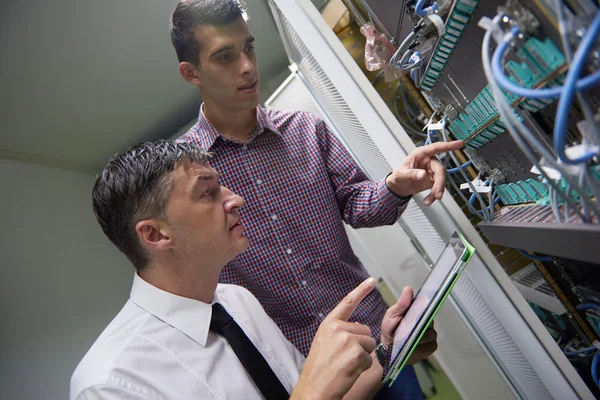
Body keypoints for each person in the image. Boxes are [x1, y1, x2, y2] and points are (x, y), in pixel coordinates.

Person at [169, 1, 461, 397]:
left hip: (377, 341)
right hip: (308, 376)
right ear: (191, 73)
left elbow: (357, 205)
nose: (247, 66)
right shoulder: (184, 176)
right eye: (225, 56)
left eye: (249, 48)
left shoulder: (306, 130)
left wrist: (396, 184)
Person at [70, 140, 438, 399]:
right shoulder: (112, 383)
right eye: (207, 193)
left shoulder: (237, 301)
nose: (236, 199)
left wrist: (391, 350)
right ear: (155, 234)